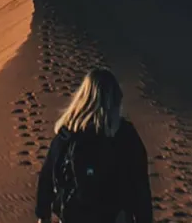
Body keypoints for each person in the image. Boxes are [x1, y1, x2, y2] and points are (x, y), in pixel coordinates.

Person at [35, 68, 153, 223]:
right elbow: (140, 186)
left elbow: (47, 177)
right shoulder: (124, 134)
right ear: (116, 99)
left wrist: (43, 215)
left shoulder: (68, 133)